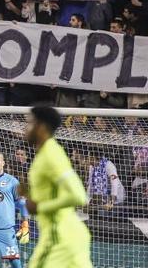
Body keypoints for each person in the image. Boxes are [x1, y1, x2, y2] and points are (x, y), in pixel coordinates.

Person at [23, 106, 92, 268]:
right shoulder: (49, 152)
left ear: (41, 127)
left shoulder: (51, 154)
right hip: (70, 236)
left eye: (30, 123)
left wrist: (40, 207)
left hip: (59, 239)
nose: (25, 128)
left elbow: (79, 195)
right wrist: (29, 195)